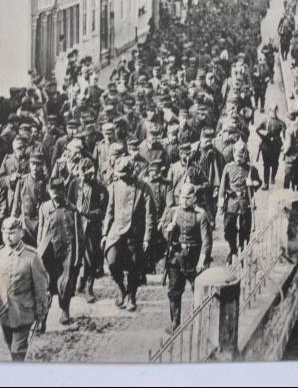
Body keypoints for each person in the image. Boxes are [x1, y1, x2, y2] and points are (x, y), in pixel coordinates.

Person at [0, 217, 50, 361]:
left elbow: (41, 287)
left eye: (12, 232)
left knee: (18, 350)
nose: (7, 236)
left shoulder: (32, 257)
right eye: (4, 232)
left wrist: (41, 312)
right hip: (3, 312)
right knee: (11, 346)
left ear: (21, 233)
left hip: (24, 313)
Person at [102, 157, 154, 312]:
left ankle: (131, 295)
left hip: (134, 234)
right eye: (119, 175)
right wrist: (105, 234)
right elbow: (109, 212)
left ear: (132, 172)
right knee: (111, 261)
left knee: (134, 267)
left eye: (124, 175)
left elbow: (150, 215)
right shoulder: (113, 187)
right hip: (116, 232)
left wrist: (147, 237)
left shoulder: (144, 188)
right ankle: (121, 288)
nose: (121, 178)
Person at [160, 183, 212, 333]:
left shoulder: (200, 215)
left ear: (194, 198)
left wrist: (202, 260)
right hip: (176, 258)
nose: (184, 200)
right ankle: (175, 322)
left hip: (193, 259)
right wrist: (168, 230)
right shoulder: (173, 212)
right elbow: (164, 231)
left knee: (199, 289)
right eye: (182, 197)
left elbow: (206, 241)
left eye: (187, 198)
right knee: (174, 291)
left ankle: (200, 322)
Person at [36, 177, 84, 325]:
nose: (55, 195)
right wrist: (39, 249)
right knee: (46, 285)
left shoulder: (72, 210)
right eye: (52, 191)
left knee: (65, 283)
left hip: (66, 252)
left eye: (58, 191)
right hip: (48, 252)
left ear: (63, 191)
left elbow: (79, 235)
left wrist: (77, 257)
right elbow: (41, 230)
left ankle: (65, 310)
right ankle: (42, 318)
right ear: (49, 192)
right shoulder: (44, 207)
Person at [67, 158, 109, 303]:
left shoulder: (100, 187)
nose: (87, 177)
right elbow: (69, 201)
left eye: (90, 174)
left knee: (91, 258)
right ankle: (78, 281)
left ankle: (88, 287)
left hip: (92, 227)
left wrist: (87, 214)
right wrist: (75, 211)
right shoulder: (74, 184)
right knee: (76, 256)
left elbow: (103, 210)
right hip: (76, 226)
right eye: (84, 174)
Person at [217, 141, 262, 263]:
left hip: (245, 203)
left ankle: (242, 252)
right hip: (231, 202)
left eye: (241, 157)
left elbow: (259, 183)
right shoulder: (228, 167)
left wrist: (252, 183)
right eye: (237, 156)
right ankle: (233, 250)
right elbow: (222, 187)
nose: (239, 159)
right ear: (233, 154)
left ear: (245, 155)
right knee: (228, 229)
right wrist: (221, 204)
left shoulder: (251, 169)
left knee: (244, 229)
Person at [11, 151, 49, 246]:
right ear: (29, 164)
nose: (35, 167)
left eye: (38, 164)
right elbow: (16, 205)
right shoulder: (22, 182)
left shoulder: (46, 183)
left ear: (42, 165)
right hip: (25, 226)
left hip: (41, 226)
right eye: (33, 164)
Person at [256, 105, 286, 190]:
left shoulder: (281, 123)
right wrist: (263, 134)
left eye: (275, 111)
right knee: (266, 164)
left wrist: (283, 144)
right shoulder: (264, 121)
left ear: (277, 112)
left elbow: (284, 135)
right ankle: (265, 183)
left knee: (275, 163)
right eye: (271, 111)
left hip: (276, 145)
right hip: (266, 145)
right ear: (268, 112)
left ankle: (272, 176)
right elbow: (257, 130)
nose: (273, 113)